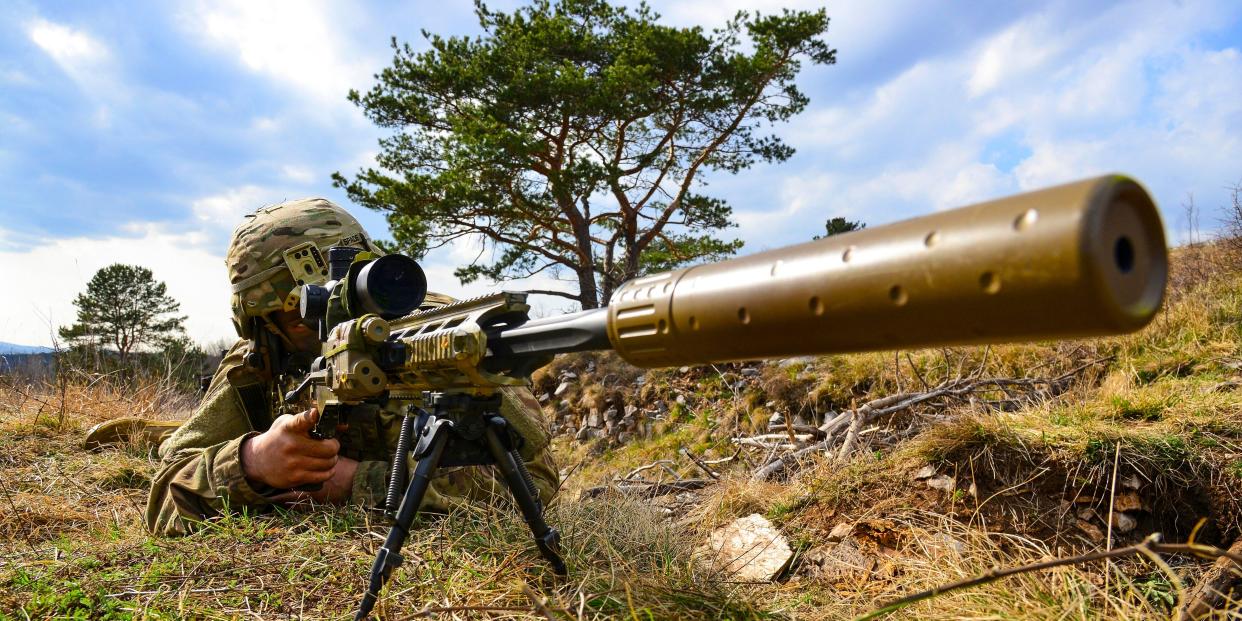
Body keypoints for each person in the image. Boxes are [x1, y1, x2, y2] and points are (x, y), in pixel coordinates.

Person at [144, 198, 558, 536]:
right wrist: (252, 462)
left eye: (354, 303)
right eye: (308, 317)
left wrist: (360, 483)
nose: (341, 330)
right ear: (263, 327)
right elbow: (165, 497)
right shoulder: (256, 367)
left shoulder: (442, 336)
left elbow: (536, 483)